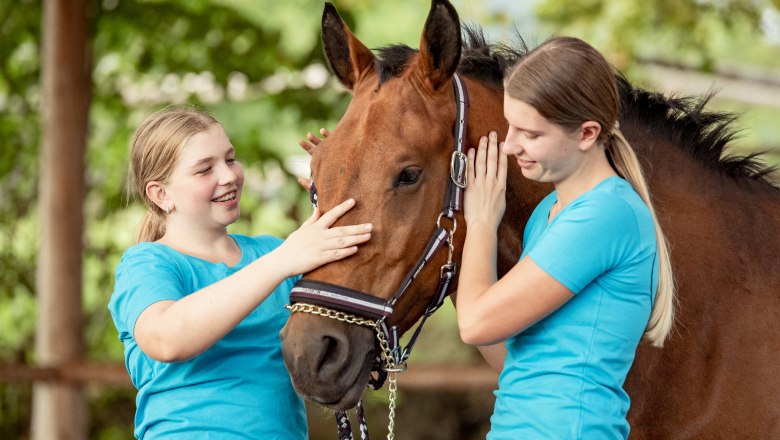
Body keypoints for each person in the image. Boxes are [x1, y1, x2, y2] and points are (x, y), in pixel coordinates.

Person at [455, 37, 675, 439]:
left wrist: (482, 225)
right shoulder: (549, 214)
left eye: (531, 134)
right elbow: (516, 362)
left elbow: (474, 325)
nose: (510, 146)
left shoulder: (607, 214)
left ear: (587, 133)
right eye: (510, 127)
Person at [108, 108, 373, 439]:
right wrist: (284, 259)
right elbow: (166, 338)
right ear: (161, 195)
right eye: (205, 169)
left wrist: (349, 183)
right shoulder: (148, 263)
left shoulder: (273, 252)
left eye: (230, 159)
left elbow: (352, 299)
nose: (228, 176)